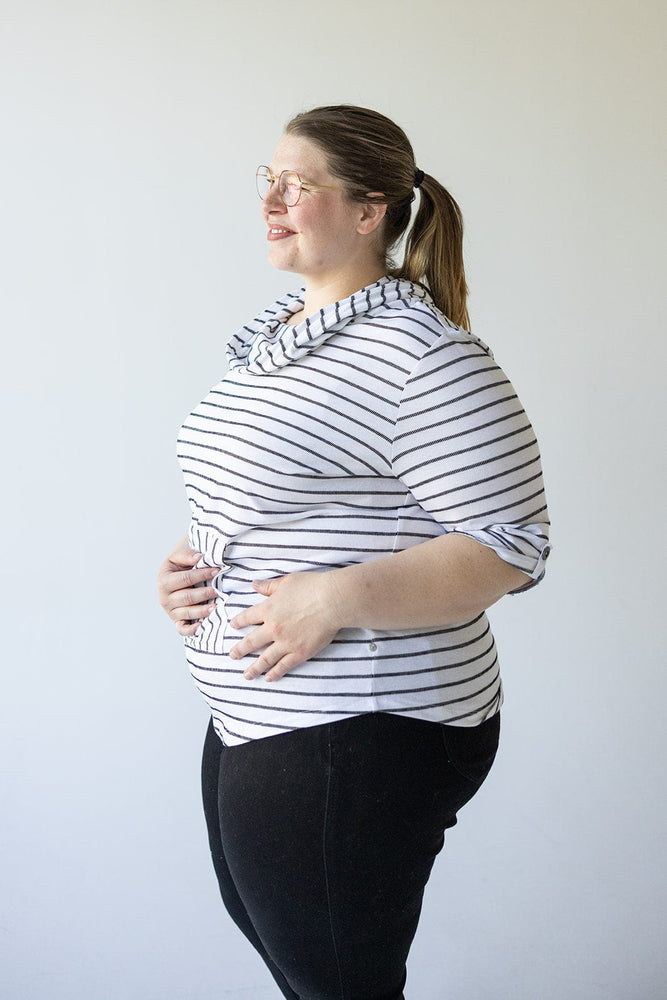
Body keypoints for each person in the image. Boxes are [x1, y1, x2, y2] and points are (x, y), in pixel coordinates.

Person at [157, 104, 550, 1000]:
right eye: (267, 180)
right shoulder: (278, 341)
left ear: (370, 210)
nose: (271, 201)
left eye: (298, 185)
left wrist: (333, 599)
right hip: (260, 708)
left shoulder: (424, 355)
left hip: (361, 725)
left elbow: (511, 545)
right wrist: (188, 562)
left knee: (337, 985)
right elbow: (280, 488)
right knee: (297, 960)